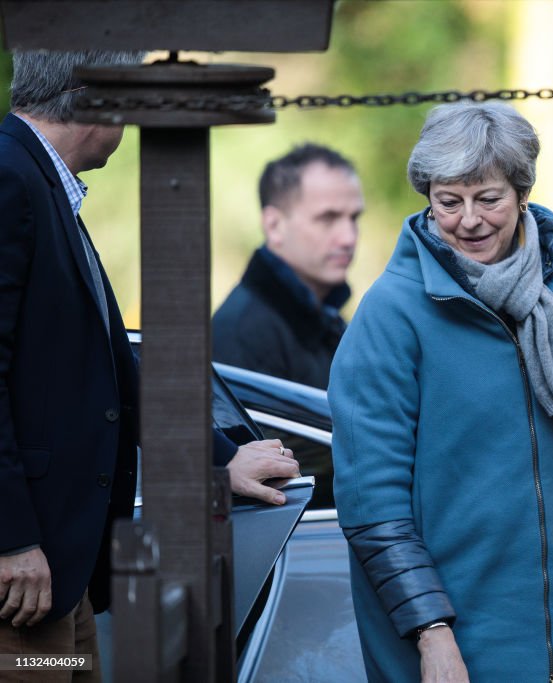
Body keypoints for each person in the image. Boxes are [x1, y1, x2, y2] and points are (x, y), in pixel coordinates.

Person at [330, 101, 553, 682]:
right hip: (454, 650)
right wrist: (431, 634)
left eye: (487, 198)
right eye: (449, 201)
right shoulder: (389, 315)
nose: (468, 220)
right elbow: (374, 508)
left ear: (521, 193)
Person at [0, 50, 299, 676]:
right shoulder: (10, 179)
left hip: (61, 565)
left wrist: (217, 458)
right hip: (23, 573)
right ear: (92, 93)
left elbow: (111, 367)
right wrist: (11, 539)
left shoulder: (41, 181)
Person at [213, 144, 363, 389]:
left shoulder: (323, 319)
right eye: (328, 218)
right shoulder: (243, 336)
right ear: (274, 226)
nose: (349, 238)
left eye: (354, 218)